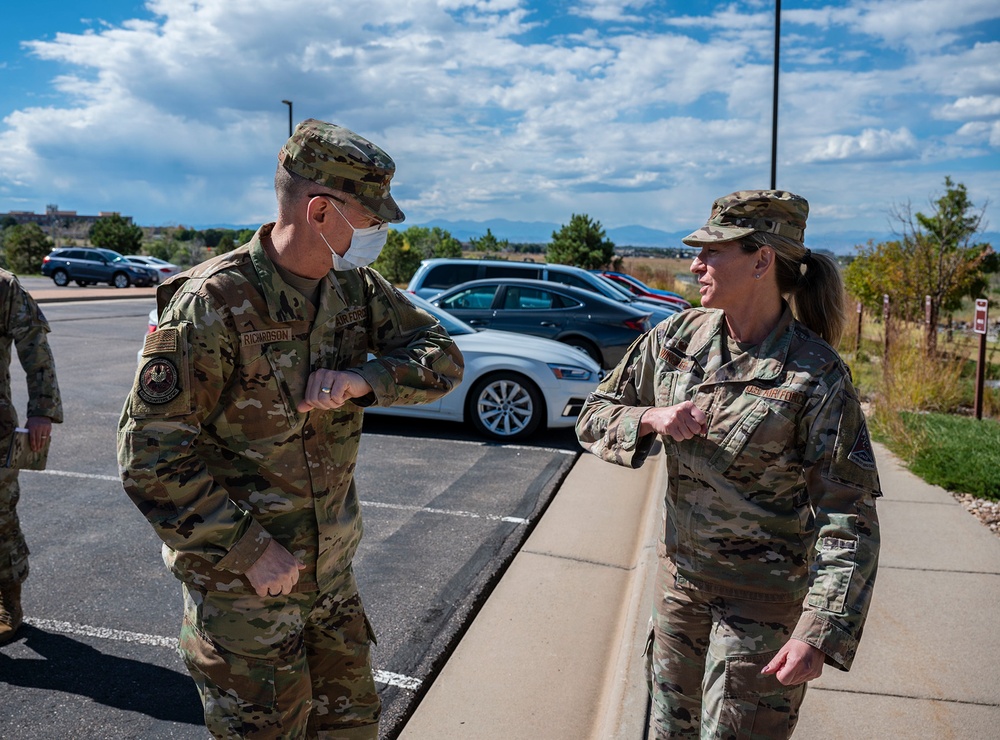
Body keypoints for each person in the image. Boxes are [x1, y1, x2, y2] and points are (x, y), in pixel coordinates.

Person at [117, 119, 464, 739]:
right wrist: (249, 548)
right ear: (321, 211)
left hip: (331, 582)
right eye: (370, 218)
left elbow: (442, 358)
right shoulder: (214, 302)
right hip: (247, 593)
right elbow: (149, 457)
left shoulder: (355, 288)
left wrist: (367, 378)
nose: (378, 234)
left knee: (352, 728)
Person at [576, 190, 881, 738]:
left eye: (712, 251)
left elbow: (848, 516)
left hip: (762, 611)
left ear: (762, 260)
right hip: (680, 592)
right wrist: (651, 419)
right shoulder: (674, 340)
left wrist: (818, 630)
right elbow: (593, 416)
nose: (695, 264)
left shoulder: (815, 375)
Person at [0, 268, 62, 645]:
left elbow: (35, 345)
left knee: (0, 513)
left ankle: (8, 599)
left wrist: (41, 409)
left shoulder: (3, 287)